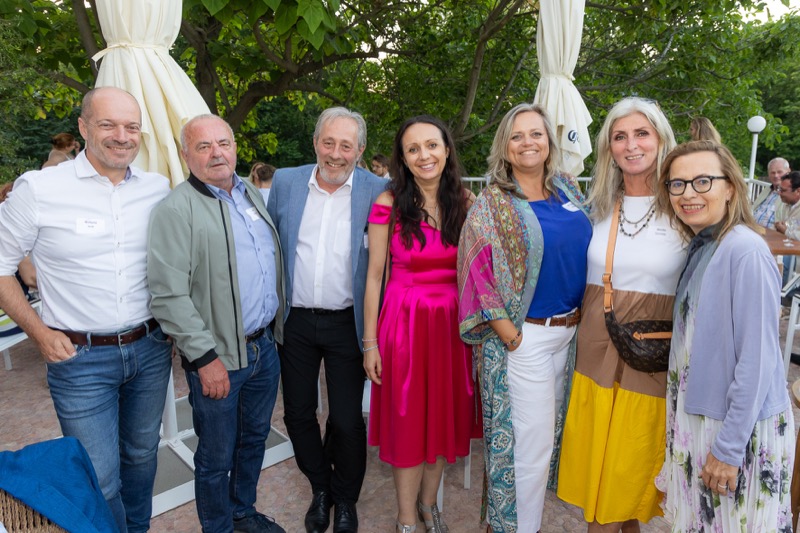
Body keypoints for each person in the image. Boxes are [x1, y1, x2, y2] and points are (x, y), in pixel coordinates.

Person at [0, 87, 172, 533]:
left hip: (150, 348)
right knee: (100, 476)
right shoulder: (40, 188)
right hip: (79, 359)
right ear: (83, 127)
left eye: (131, 127)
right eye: (108, 124)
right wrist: (38, 333)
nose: (122, 136)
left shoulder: (156, 188)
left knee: (142, 456)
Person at [148, 114, 286, 533]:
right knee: (215, 456)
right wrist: (204, 358)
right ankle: (219, 527)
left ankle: (242, 512)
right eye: (203, 146)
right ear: (186, 154)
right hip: (217, 357)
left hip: (263, 349)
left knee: (254, 439)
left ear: (235, 148)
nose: (216, 153)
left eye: (223, 143)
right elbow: (168, 294)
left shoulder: (250, 194)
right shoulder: (176, 209)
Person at [457, 103, 591, 533]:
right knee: (529, 450)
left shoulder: (568, 188)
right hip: (525, 339)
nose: (527, 142)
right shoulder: (493, 203)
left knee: (550, 442)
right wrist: (510, 335)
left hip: (571, 337)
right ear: (505, 147)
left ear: (549, 141)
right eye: (517, 136)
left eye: (536, 133)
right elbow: (476, 274)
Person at [557, 97, 685, 533]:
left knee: (622, 487)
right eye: (620, 136)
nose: (631, 145)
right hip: (594, 362)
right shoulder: (594, 207)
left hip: (649, 367)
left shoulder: (684, 209)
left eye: (641, 134)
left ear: (661, 139)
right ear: (608, 148)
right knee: (609, 494)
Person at [654, 140, 794, 531]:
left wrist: (729, 449)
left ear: (730, 187)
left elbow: (758, 360)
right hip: (703, 424)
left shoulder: (745, 250)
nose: (688, 194)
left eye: (703, 181)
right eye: (678, 184)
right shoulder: (704, 246)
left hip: (736, 434)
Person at [266, 107, 386, 533]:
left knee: (348, 420)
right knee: (297, 414)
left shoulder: (379, 190)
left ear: (361, 150)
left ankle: (346, 498)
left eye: (346, 145)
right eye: (328, 142)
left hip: (348, 324)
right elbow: (270, 244)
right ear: (316, 142)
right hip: (295, 321)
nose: (336, 153)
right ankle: (320, 488)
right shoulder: (286, 182)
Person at [363, 116, 480, 533]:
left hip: (452, 329)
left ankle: (429, 506)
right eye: (413, 149)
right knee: (409, 424)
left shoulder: (466, 201)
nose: (424, 155)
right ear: (403, 158)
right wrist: (370, 343)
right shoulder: (388, 203)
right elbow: (374, 276)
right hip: (404, 326)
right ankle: (406, 518)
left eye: (432, 145)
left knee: (444, 421)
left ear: (447, 150)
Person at [753, 157, 791, 229]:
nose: (776, 175)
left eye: (779, 172)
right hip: (752, 228)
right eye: (772, 172)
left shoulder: (792, 194)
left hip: (771, 233)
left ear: (788, 171)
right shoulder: (767, 190)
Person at [775, 170, 800, 239]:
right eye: (779, 189)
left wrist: (785, 231)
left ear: (798, 191)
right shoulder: (785, 203)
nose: (779, 193)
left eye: (783, 190)